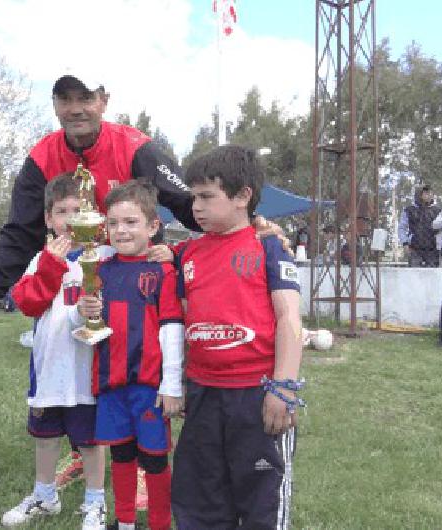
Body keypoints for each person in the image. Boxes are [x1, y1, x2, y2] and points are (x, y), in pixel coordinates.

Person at [0, 69, 286, 331]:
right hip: (71, 290)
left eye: (85, 97)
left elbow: (190, 204)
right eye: (65, 99)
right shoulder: (40, 158)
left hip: (136, 285)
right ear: (54, 105)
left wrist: (249, 226)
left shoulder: (137, 148)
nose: (76, 109)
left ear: (104, 100)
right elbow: (20, 233)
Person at [170, 145, 304, 529]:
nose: (196, 206)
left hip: (256, 394)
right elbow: (180, 318)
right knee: (200, 499)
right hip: (202, 394)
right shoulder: (187, 254)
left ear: (244, 195)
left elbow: (289, 317)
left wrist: (283, 387)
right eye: (193, 196)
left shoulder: (269, 247)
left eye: (207, 197)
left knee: (261, 499)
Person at [2, 174, 110, 529]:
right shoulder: (41, 258)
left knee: (91, 441)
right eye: (61, 211)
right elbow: (28, 303)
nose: (69, 218)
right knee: (45, 437)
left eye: (78, 210)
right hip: (50, 368)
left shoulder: (107, 256)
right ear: (49, 219)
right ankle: (44, 495)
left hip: (87, 370)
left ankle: (95, 503)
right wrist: (51, 263)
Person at [78, 181, 184, 530]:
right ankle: (125, 522)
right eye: (113, 223)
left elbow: (171, 329)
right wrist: (88, 311)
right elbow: (94, 325)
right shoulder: (101, 270)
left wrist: (171, 384)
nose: (120, 230)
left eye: (130, 222)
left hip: (148, 387)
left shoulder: (162, 270)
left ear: (153, 226)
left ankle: (158, 524)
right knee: (121, 455)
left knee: (154, 461)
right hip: (111, 382)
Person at [398, 184, 441, 267]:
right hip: (414, 249)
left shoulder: (438, 210)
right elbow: (402, 228)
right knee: (414, 275)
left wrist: (440, 244)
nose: (429, 195)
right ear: (419, 194)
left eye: (431, 193)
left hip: (433, 249)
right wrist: (405, 243)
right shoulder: (409, 210)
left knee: (432, 275)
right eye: (426, 193)